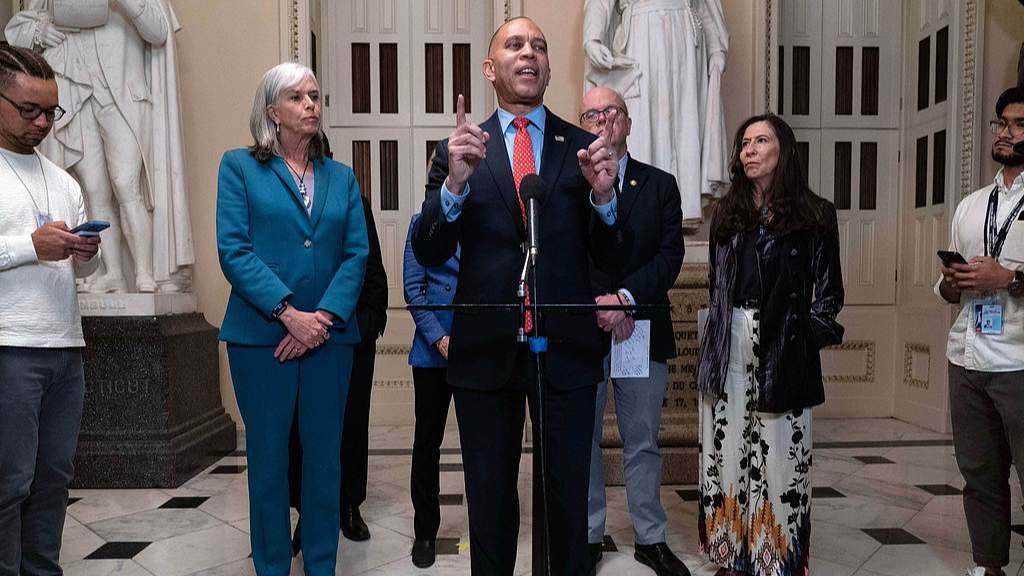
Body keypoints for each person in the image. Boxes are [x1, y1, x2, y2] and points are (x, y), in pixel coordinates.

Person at [411, 16, 625, 576]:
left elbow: (611, 257)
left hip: (567, 353)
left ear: (549, 68)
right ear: (490, 68)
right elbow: (430, 251)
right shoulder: (457, 149)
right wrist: (454, 185)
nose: (529, 53)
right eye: (514, 44)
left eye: (539, 46)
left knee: (566, 502)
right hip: (485, 353)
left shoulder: (584, 150)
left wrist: (605, 200)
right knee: (489, 504)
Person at [216, 62, 368, 576]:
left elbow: (356, 255)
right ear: (271, 111)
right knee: (269, 464)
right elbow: (234, 251)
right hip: (261, 341)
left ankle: (321, 565)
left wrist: (319, 319)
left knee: (326, 463)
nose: (311, 104)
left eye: (316, 95)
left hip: (329, 339)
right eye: (298, 96)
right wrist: (287, 313)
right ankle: (273, 567)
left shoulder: (341, 177)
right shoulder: (239, 167)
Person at [695, 114, 844, 576]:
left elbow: (829, 297)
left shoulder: (815, 213)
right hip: (728, 341)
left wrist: (799, 343)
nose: (750, 150)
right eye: (744, 143)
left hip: (783, 344)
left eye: (762, 140)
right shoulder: (726, 212)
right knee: (727, 451)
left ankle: (779, 556)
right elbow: (716, 285)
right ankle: (732, 556)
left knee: (780, 458)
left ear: (785, 151)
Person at [6, 0, 194, 293]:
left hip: (122, 96)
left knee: (126, 182)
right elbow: (22, 30)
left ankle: (145, 270)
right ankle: (114, 272)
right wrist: (42, 29)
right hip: (77, 94)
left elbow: (159, 30)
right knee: (93, 188)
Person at [0, 44, 102, 576]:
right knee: (8, 482)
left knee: (53, 479)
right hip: (9, 347)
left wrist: (84, 254)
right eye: (28, 110)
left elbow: (76, 273)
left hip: (66, 347)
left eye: (50, 112)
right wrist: (27, 246)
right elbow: (30, 249)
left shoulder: (63, 181)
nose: (42, 122)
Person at [580, 87, 687, 576]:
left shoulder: (661, 185)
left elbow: (669, 258)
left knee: (642, 439)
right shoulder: (569, 186)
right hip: (585, 330)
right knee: (583, 438)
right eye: (592, 113)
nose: (602, 119)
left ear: (626, 121)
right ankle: (588, 533)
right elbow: (572, 255)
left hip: (642, 328)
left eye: (611, 111)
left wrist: (624, 299)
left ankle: (650, 537)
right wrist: (604, 301)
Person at [934, 86, 1024, 576]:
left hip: (1019, 361)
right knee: (980, 476)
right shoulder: (972, 204)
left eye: (1017, 124)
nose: (1005, 132)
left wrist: (1008, 279)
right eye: (1001, 123)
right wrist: (954, 282)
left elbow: (1008, 278)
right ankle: (988, 567)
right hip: (967, 358)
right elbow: (948, 291)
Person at [288, 184, 388, 553]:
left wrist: (368, 324)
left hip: (350, 334)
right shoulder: (280, 198)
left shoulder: (353, 200)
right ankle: (306, 513)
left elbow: (372, 270)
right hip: (296, 332)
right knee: (299, 429)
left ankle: (349, 506)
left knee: (351, 424)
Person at [583, 0, 729, 228]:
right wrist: (593, 38)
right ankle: (639, 205)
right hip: (643, 33)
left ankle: (679, 207)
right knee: (642, 125)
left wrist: (716, 47)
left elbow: (703, 7)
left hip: (686, 40)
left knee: (684, 124)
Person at [403, 213, 460, 568]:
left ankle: (489, 527)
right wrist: (440, 338)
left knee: (484, 446)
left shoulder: (486, 217)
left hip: (479, 349)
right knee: (427, 443)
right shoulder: (420, 223)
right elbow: (413, 287)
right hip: (432, 348)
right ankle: (424, 531)